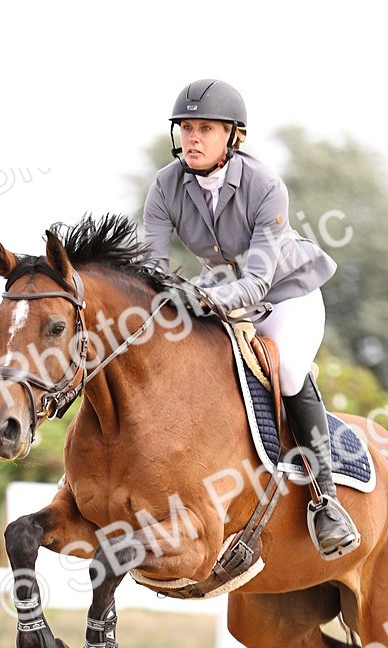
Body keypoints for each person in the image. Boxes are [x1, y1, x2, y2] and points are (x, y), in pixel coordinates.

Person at [143, 78, 359, 558]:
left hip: (286, 295)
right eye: (185, 128)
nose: (191, 138)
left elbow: (259, 283)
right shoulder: (165, 185)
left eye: (204, 128)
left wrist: (196, 295)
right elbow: (150, 269)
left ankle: (326, 502)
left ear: (232, 136)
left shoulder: (266, 187)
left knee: (285, 371)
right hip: (219, 292)